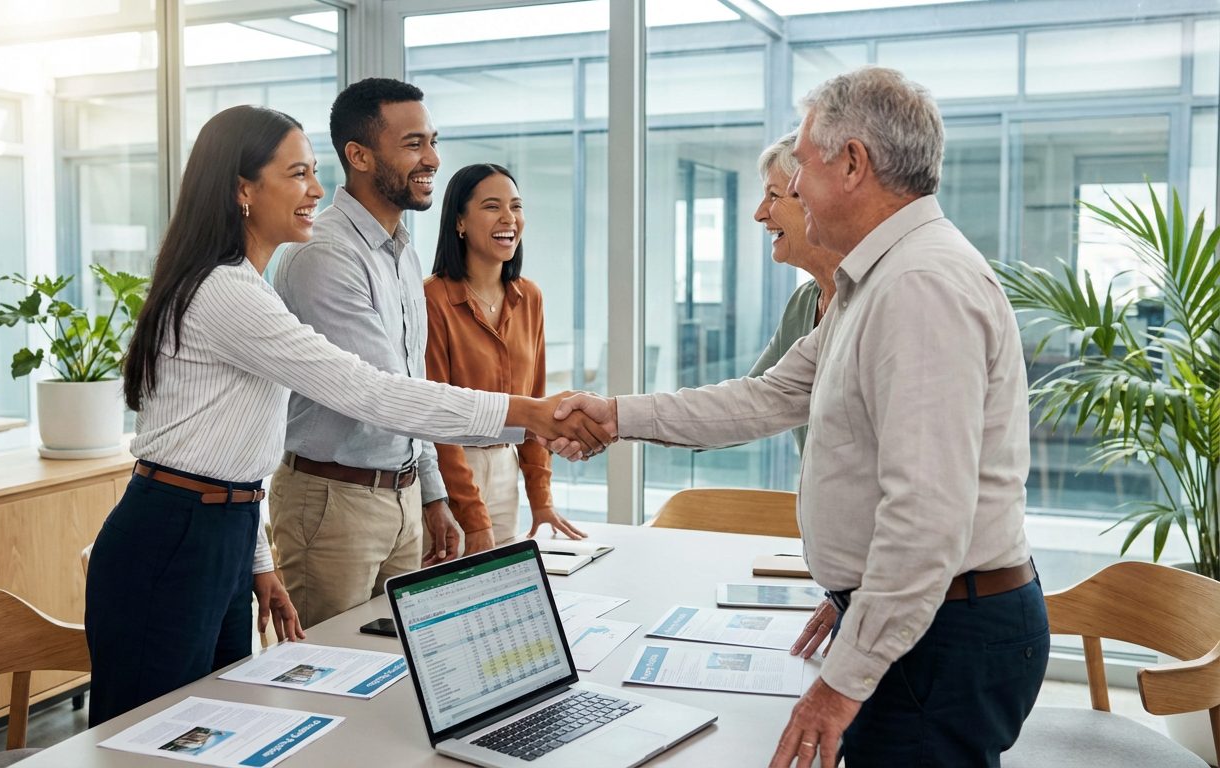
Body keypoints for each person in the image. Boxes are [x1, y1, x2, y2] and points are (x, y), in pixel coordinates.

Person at [552, 67, 1047, 768]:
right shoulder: (875, 280)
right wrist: (615, 414)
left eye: (804, 166)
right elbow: (766, 397)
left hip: (946, 635)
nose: (793, 187)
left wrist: (841, 684)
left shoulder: (918, 286)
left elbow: (928, 515)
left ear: (852, 163)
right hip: (932, 622)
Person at [85, 104, 610, 726]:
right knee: (149, 742)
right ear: (242, 190)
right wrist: (530, 412)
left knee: (211, 731)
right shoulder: (224, 291)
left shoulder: (246, 285)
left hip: (221, 526)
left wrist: (256, 562)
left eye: (312, 172)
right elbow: (369, 391)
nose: (314, 189)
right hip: (174, 534)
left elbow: (238, 457)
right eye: (297, 174)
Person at [267, 78, 498, 628]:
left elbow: (409, 382)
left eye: (433, 141)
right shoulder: (325, 255)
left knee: (399, 671)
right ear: (359, 155)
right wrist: (523, 417)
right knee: (325, 678)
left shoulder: (402, 253)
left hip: (399, 494)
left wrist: (430, 493)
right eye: (414, 143)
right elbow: (385, 395)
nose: (433, 159)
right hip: (333, 502)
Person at [424, 163, 587, 555]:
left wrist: (541, 498)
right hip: (451, 476)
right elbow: (436, 423)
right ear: (459, 222)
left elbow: (535, 408)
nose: (508, 218)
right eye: (492, 206)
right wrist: (473, 516)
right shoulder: (432, 299)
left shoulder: (529, 297)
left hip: (505, 467)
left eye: (516, 206)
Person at [746, 131, 845, 455]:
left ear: (814, 199)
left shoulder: (893, 294)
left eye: (774, 196)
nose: (760, 213)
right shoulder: (804, 302)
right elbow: (753, 404)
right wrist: (619, 418)